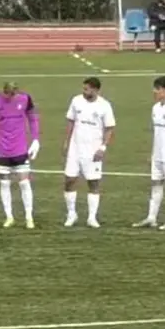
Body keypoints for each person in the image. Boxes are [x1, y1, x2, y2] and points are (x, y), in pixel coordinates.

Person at [0, 81, 40, 229]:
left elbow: (33, 119)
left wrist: (35, 140)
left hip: (20, 149)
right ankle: (9, 217)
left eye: (13, 94)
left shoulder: (25, 99)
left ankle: (29, 217)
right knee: (4, 183)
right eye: (8, 94)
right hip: (2, 150)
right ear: (3, 91)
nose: (10, 97)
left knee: (24, 182)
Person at [62, 76, 116, 228]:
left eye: (87, 89)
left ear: (95, 90)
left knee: (93, 182)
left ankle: (92, 217)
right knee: (69, 180)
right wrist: (66, 141)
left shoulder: (104, 106)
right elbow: (71, 121)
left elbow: (109, 128)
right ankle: (71, 213)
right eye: (83, 88)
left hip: (93, 151)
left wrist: (103, 147)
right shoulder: (76, 101)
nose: (84, 91)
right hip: (75, 148)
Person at [136, 75, 165, 231]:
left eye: (158, 89)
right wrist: (153, 154)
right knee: (156, 184)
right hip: (158, 155)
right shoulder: (155, 108)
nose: (154, 91)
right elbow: (157, 134)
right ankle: (151, 218)